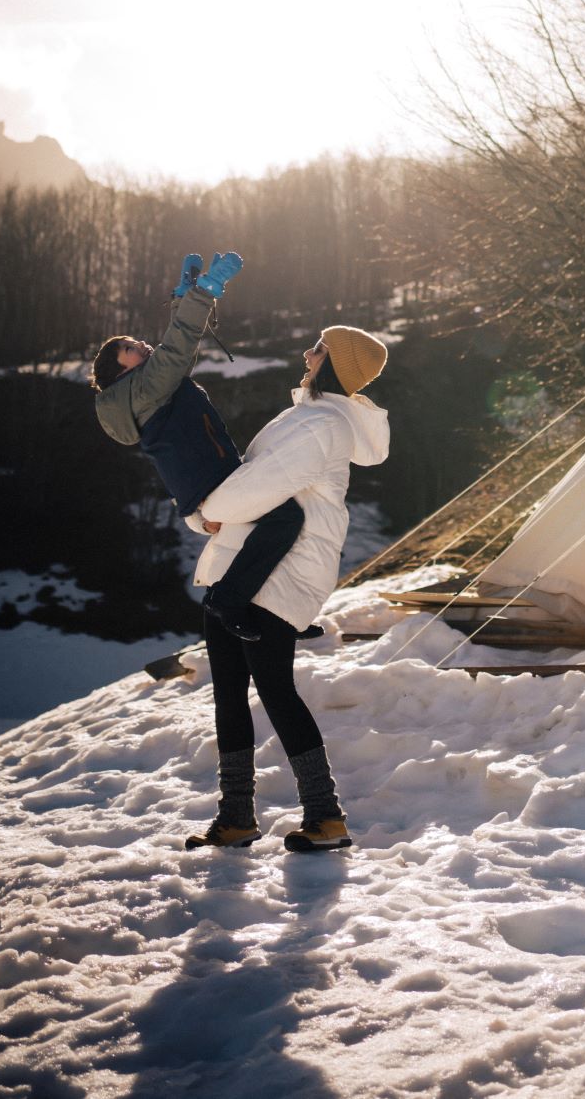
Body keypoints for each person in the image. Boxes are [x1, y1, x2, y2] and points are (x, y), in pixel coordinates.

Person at [183, 323, 389, 853]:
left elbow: (258, 487)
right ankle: (236, 817)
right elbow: (246, 481)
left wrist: (205, 512)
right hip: (242, 564)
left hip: (282, 572)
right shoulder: (305, 415)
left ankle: (326, 816)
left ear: (336, 364)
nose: (307, 352)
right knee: (229, 694)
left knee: (274, 687)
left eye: (318, 349)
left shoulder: (321, 424)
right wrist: (206, 515)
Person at [92, 252, 303, 640]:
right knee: (287, 519)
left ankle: (274, 618)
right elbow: (176, 350)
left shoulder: (143, 389)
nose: (143, 345)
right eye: (133, 348)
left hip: (210, 483)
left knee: (258, 537)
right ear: (124, 371)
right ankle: (229, 602)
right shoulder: (144, 387)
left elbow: (175, 355)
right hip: (213, 484)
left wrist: (183, 300)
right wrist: (203, 293)